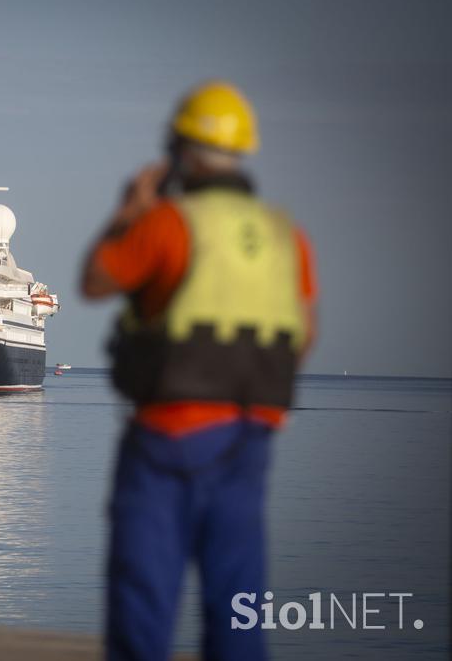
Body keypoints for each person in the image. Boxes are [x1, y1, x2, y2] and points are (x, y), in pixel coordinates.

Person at [80, 81, 317, 661]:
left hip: (166, 439)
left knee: (144, 598)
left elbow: (95, 282)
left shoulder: (169, 224)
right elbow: (300, 335)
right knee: (239, 602)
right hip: (249, 442)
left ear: (180, 151)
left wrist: (128, 212)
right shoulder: (288, 238)